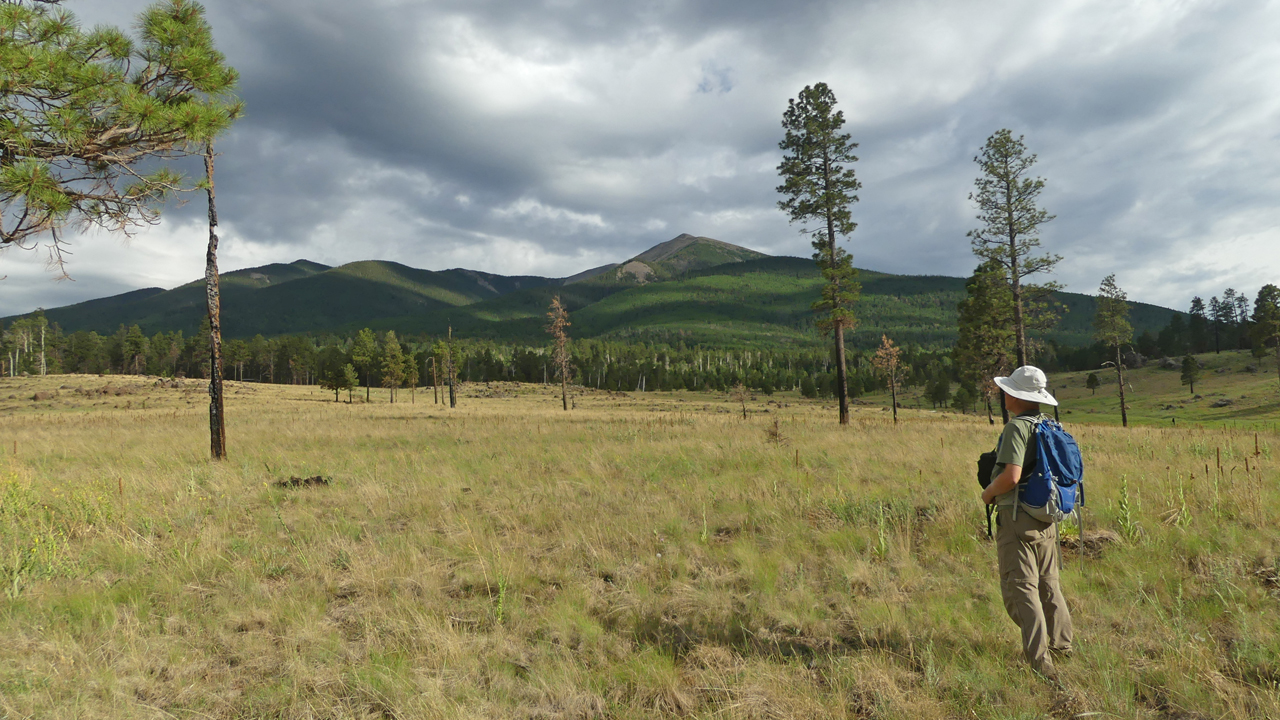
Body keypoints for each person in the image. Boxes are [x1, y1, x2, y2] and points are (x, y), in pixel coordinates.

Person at [980, 365, 1073, 681]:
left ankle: (1040, 664)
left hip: (1017, 516)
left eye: (1007, 389)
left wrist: (988, 494)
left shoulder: (1016, 428)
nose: (1003, 394)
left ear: (1016, 396)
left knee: (1021, 589)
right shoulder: (1047, 424)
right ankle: (1062, 648)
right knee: (1049, 583)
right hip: (1046, 514)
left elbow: (1012, 476)